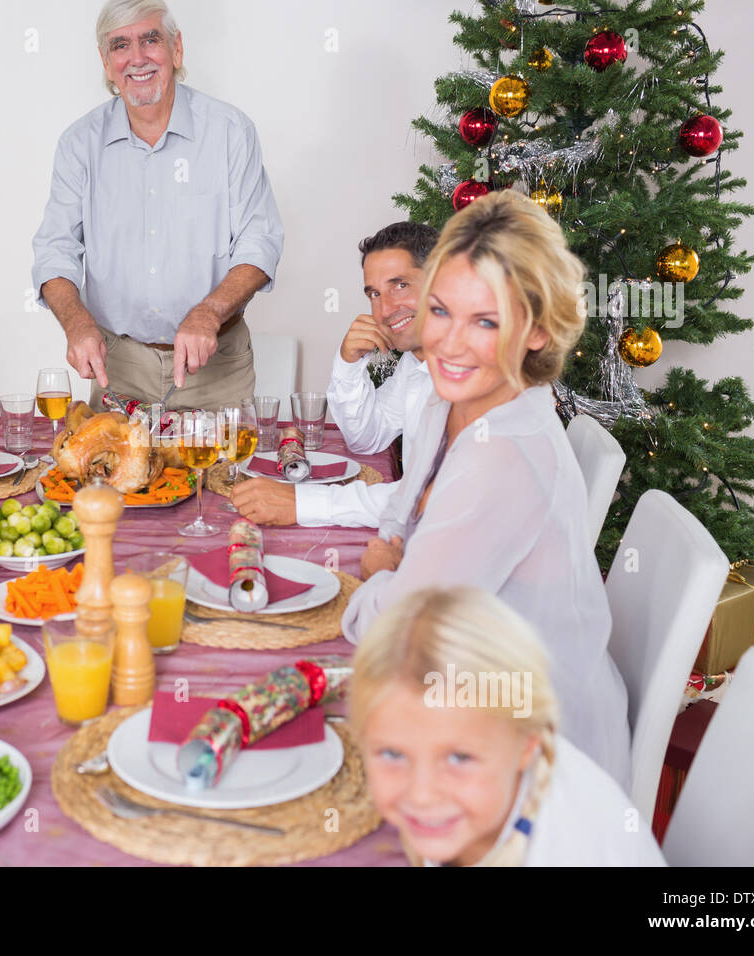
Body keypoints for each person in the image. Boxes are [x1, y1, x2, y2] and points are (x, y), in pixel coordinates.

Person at [341, 190, 630, 787]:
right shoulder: (449, 402)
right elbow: (398, 514)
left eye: (487, 321)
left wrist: (382, 576)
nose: (448, 343)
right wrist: (395, 560)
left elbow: (400, 637)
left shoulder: (503, 454)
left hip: (536, 758)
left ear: (538, 332)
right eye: (442, 311)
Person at [31, 0, 284, 411]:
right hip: (119, 371)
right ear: (105, 59)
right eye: (120, 45)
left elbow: (261, 242)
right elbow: (53, 250)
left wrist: (208, 312)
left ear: (176, 49)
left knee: (226, 478)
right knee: (112, 477)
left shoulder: (230, 132)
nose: (137, 58)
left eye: (150, 40)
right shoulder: (79, 144)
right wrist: (77, 324)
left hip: (216, 368)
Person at [352, 587, 663, 866]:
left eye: (459, 758)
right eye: (393, 754)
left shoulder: (564, 848)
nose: (421, 794)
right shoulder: (493, 786)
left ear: (528, 744)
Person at [232, 221, 437, 527]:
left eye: (400, 285)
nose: (384, 310)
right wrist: (349, 363)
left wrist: (301, 504)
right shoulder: (416, 363)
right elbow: (367, 439)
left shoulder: (472, 372)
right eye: (375, 294)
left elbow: (434, 500)